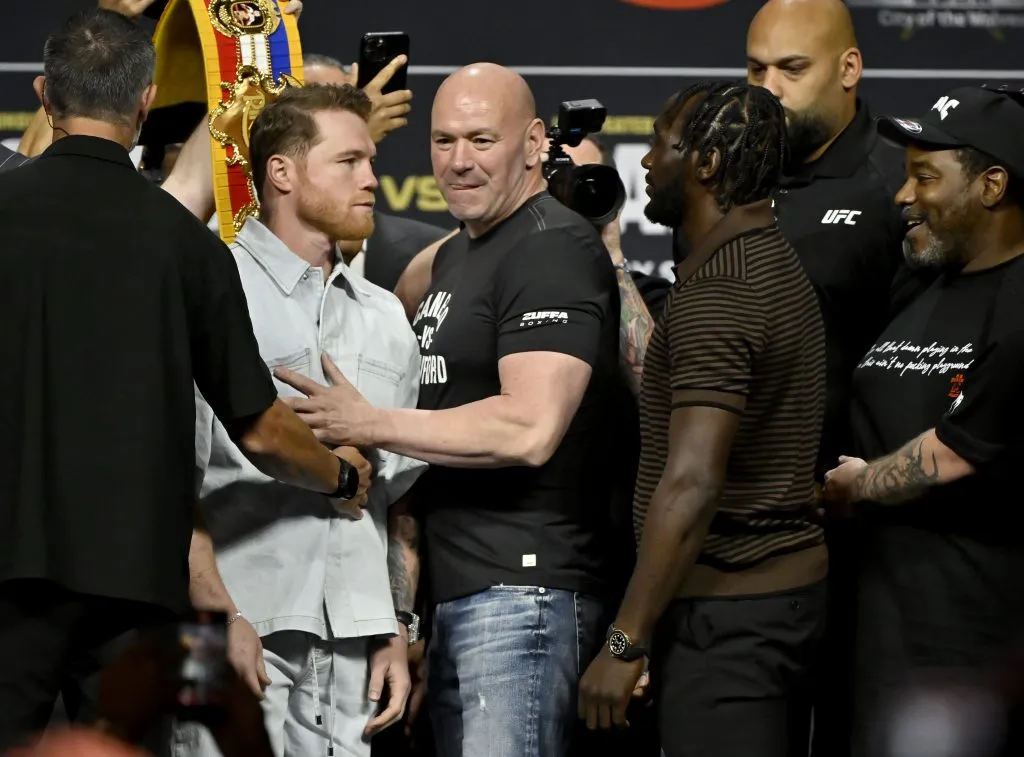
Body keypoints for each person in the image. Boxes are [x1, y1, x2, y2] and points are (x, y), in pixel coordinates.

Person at [0, 10, 363, 754]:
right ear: (144, 102)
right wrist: (340, 475)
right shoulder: (184, 245)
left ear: (43, 96)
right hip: (135, 593)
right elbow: (260, 427)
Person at [275, 62, 622, 757]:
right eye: (442, 141)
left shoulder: (551, 246)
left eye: (481, 140)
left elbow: (530, 427)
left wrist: (368, 422)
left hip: (525, 593)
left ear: (533, 146)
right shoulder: (451, 258)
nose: (458, 162)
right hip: (461, 593)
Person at [173, 83, 425, 757]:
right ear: (280, 172)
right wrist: (215, 614)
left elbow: (395, 503)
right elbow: (168, 479)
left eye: (371, 160)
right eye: (348, 161)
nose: (372, 178)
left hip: (351, 646)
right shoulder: (208, 283)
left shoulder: (386, 318)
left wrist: (394, 623)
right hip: (223, 623)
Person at [578, 82, 827, 757]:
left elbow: (691, 483)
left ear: (708, 163)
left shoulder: (722, 293)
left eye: (663, 143)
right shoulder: (766, 260)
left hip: (734, 615)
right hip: (769, 603)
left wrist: (627, 638)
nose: (649, 162)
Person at [744, 3, 930, 751]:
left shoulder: (902, 179)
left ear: (849, 70)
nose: (768, 89)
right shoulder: (734, 173)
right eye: (755, 69)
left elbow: (928, 360)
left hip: (866, 531)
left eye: (793, 68)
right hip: (746, 530)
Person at [823, 84, 1024, 757]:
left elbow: (963, 449)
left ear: (992, 184)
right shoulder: (920, 281)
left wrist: (855, 486)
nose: (903, 195)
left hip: (979, 643)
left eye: (925, 176)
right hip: (880, 632)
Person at [302, 52, 452, 291]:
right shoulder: (237, 241)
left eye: (346, 105)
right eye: (316, 109)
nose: (339, 117)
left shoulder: (432, 253)